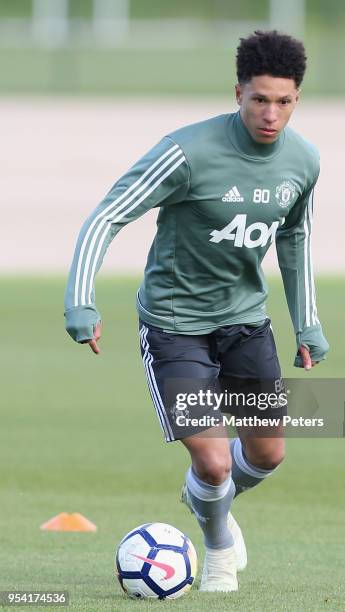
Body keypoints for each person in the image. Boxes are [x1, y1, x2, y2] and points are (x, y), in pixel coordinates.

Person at [64, 30, 329, 592]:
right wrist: (81, 299)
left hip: (246, 323)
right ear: (237, 92)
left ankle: (207, 500)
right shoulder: (186, 152)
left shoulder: (303, 161)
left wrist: (307, 321)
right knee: (213, 463)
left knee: (268, 455)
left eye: (283, 101)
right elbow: (108, 214)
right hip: (174, 325)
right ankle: (217, 552)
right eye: (259, 99)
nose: (270, 114)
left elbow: (296, 238)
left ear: (297, 100)